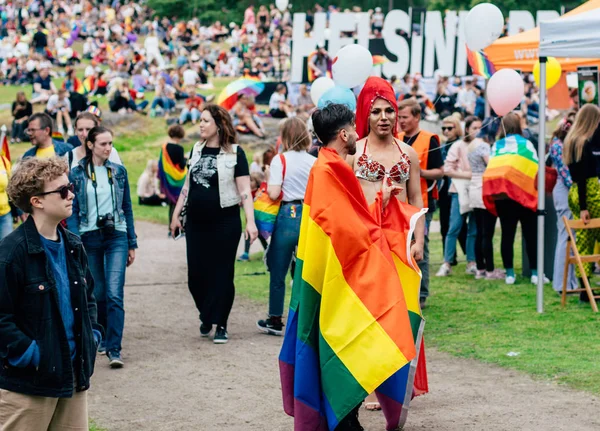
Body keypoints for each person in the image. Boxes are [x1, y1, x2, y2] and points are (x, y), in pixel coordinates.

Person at [281, 103, 424, 431]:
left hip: (335, 274)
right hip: (338, 279)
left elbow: (347, 223)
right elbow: (348, 233)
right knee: (350, 344)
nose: (360, 129)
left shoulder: (327, 166)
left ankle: (347, 419)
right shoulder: (330, 170)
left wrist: (379, 202)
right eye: (353, 126)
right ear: (343, 133)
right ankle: (344, 420)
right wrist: (380, 216)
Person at [0, 157, 102, 430]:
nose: (71, 194)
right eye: (62, 190)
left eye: (70, 186)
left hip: (73, 379)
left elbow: (89, 299)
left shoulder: (73, 245)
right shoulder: (11, 253)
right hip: (28, 386)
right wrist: (32, 355)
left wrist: (91, 338)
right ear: (37, 201)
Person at [169, 105, 258, 344]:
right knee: (195, 275)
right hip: (196, 223)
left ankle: (221, 324)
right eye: (200, 120)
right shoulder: (195, 150)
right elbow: (187, 186)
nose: (200, 125)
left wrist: (250, 222)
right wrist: (176, 214)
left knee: (222, 275)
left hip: (225, 222)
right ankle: (207, 313)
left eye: (205, 121)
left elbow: (245, 192)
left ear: (218, 125)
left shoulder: (235, 154)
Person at [67, 126, 137, 368]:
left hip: (116, 235)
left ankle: (115, 349)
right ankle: (104, 337)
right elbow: (73, 212)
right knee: (97, 294)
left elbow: (127, 207)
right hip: (89, 238)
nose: (108, 148)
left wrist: (131, 242)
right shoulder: (76, 174)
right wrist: (75, 242)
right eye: (103, 144)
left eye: (111, 144)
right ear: (90, 145)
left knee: (115, 293)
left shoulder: (119, 172)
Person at [256, 118, 316, 336]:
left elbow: (273, 193)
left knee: (278, 270)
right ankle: (304, 318)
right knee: (304, 270)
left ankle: (274, 318)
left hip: (287, 215)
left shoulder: (280, 160)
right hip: (308, 216)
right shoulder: (313, 161)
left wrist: (268, 179)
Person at [483, 112, 542, 285]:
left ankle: (510, 273)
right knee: (531, 235)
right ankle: (535, 273)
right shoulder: (528, 144)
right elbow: (535, 166)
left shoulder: (497, 146)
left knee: (507, 236)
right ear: (519, 125)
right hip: (524, 195)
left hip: (503, 198)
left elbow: (492, 168)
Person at [397, 99, 443, 307]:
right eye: (400, 117)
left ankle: (421, 294)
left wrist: (417, 172)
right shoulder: (395, 139)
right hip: (399, 202)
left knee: (419, 245)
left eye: (405, 117)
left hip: (423, 202)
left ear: (417, 117)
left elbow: (440, 171)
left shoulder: (429, 140)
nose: (401, 121)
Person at [563, 104, 600, 301]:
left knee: (584, 242)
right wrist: (586, 207)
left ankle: (584, 287)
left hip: (575, 192)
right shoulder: (584, 143)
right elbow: (586, 177)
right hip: (589, 193)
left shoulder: (571, 141)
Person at [436, 116, 478, 277]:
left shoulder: (479, 145)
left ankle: (471, 261)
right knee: (452, 227)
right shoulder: (454, 146)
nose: (446, 131)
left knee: (471, 229)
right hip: (454, 190)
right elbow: (447, 168)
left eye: (450, 128)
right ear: (466, 128)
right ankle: (448, 262)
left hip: (473, 189)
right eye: (444, 128)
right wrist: (470, 174)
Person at [468, 122, 503, 280]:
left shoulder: (472, 145)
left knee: (479, 231)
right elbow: (491, 164)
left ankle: (480, 268)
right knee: (487, 233)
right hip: (484, 188)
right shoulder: (484, 147)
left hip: (474, 187)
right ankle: (489, 270)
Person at [549, 113, 578, 293]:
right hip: (565, 191)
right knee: (565, 236)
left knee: (571, 237)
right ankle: (562, 283)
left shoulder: (562, 145)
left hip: (569, 190)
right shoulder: (558, 146)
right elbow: (567, 175)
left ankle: (571, 281)